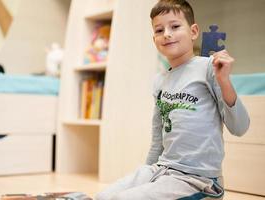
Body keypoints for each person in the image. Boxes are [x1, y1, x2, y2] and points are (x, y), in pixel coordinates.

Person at [95, 0, 250, 199]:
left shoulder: (208, 68)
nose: (167, 33)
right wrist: (147, 175)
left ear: (193, 32)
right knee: (103, 197)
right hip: (162, 170)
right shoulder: (160, 80)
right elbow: (158, 137)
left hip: (198, 180)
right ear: (154, 40)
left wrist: (224, 80)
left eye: (175, 26)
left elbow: (240, 127)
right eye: (159, 30)